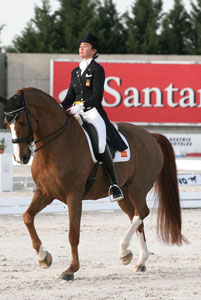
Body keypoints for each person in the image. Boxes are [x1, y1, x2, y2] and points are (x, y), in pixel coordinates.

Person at [60, 34, 127, 202]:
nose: (81, 48)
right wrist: (60, 108)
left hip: (92, 112)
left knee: (101, 143)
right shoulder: (75, 71)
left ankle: (115, 184)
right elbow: (70, 96)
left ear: (94, 50)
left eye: (85, 46)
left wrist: (81, 106)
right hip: (76, 110)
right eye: (80, 45)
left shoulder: (97, 69)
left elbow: (97, 96)